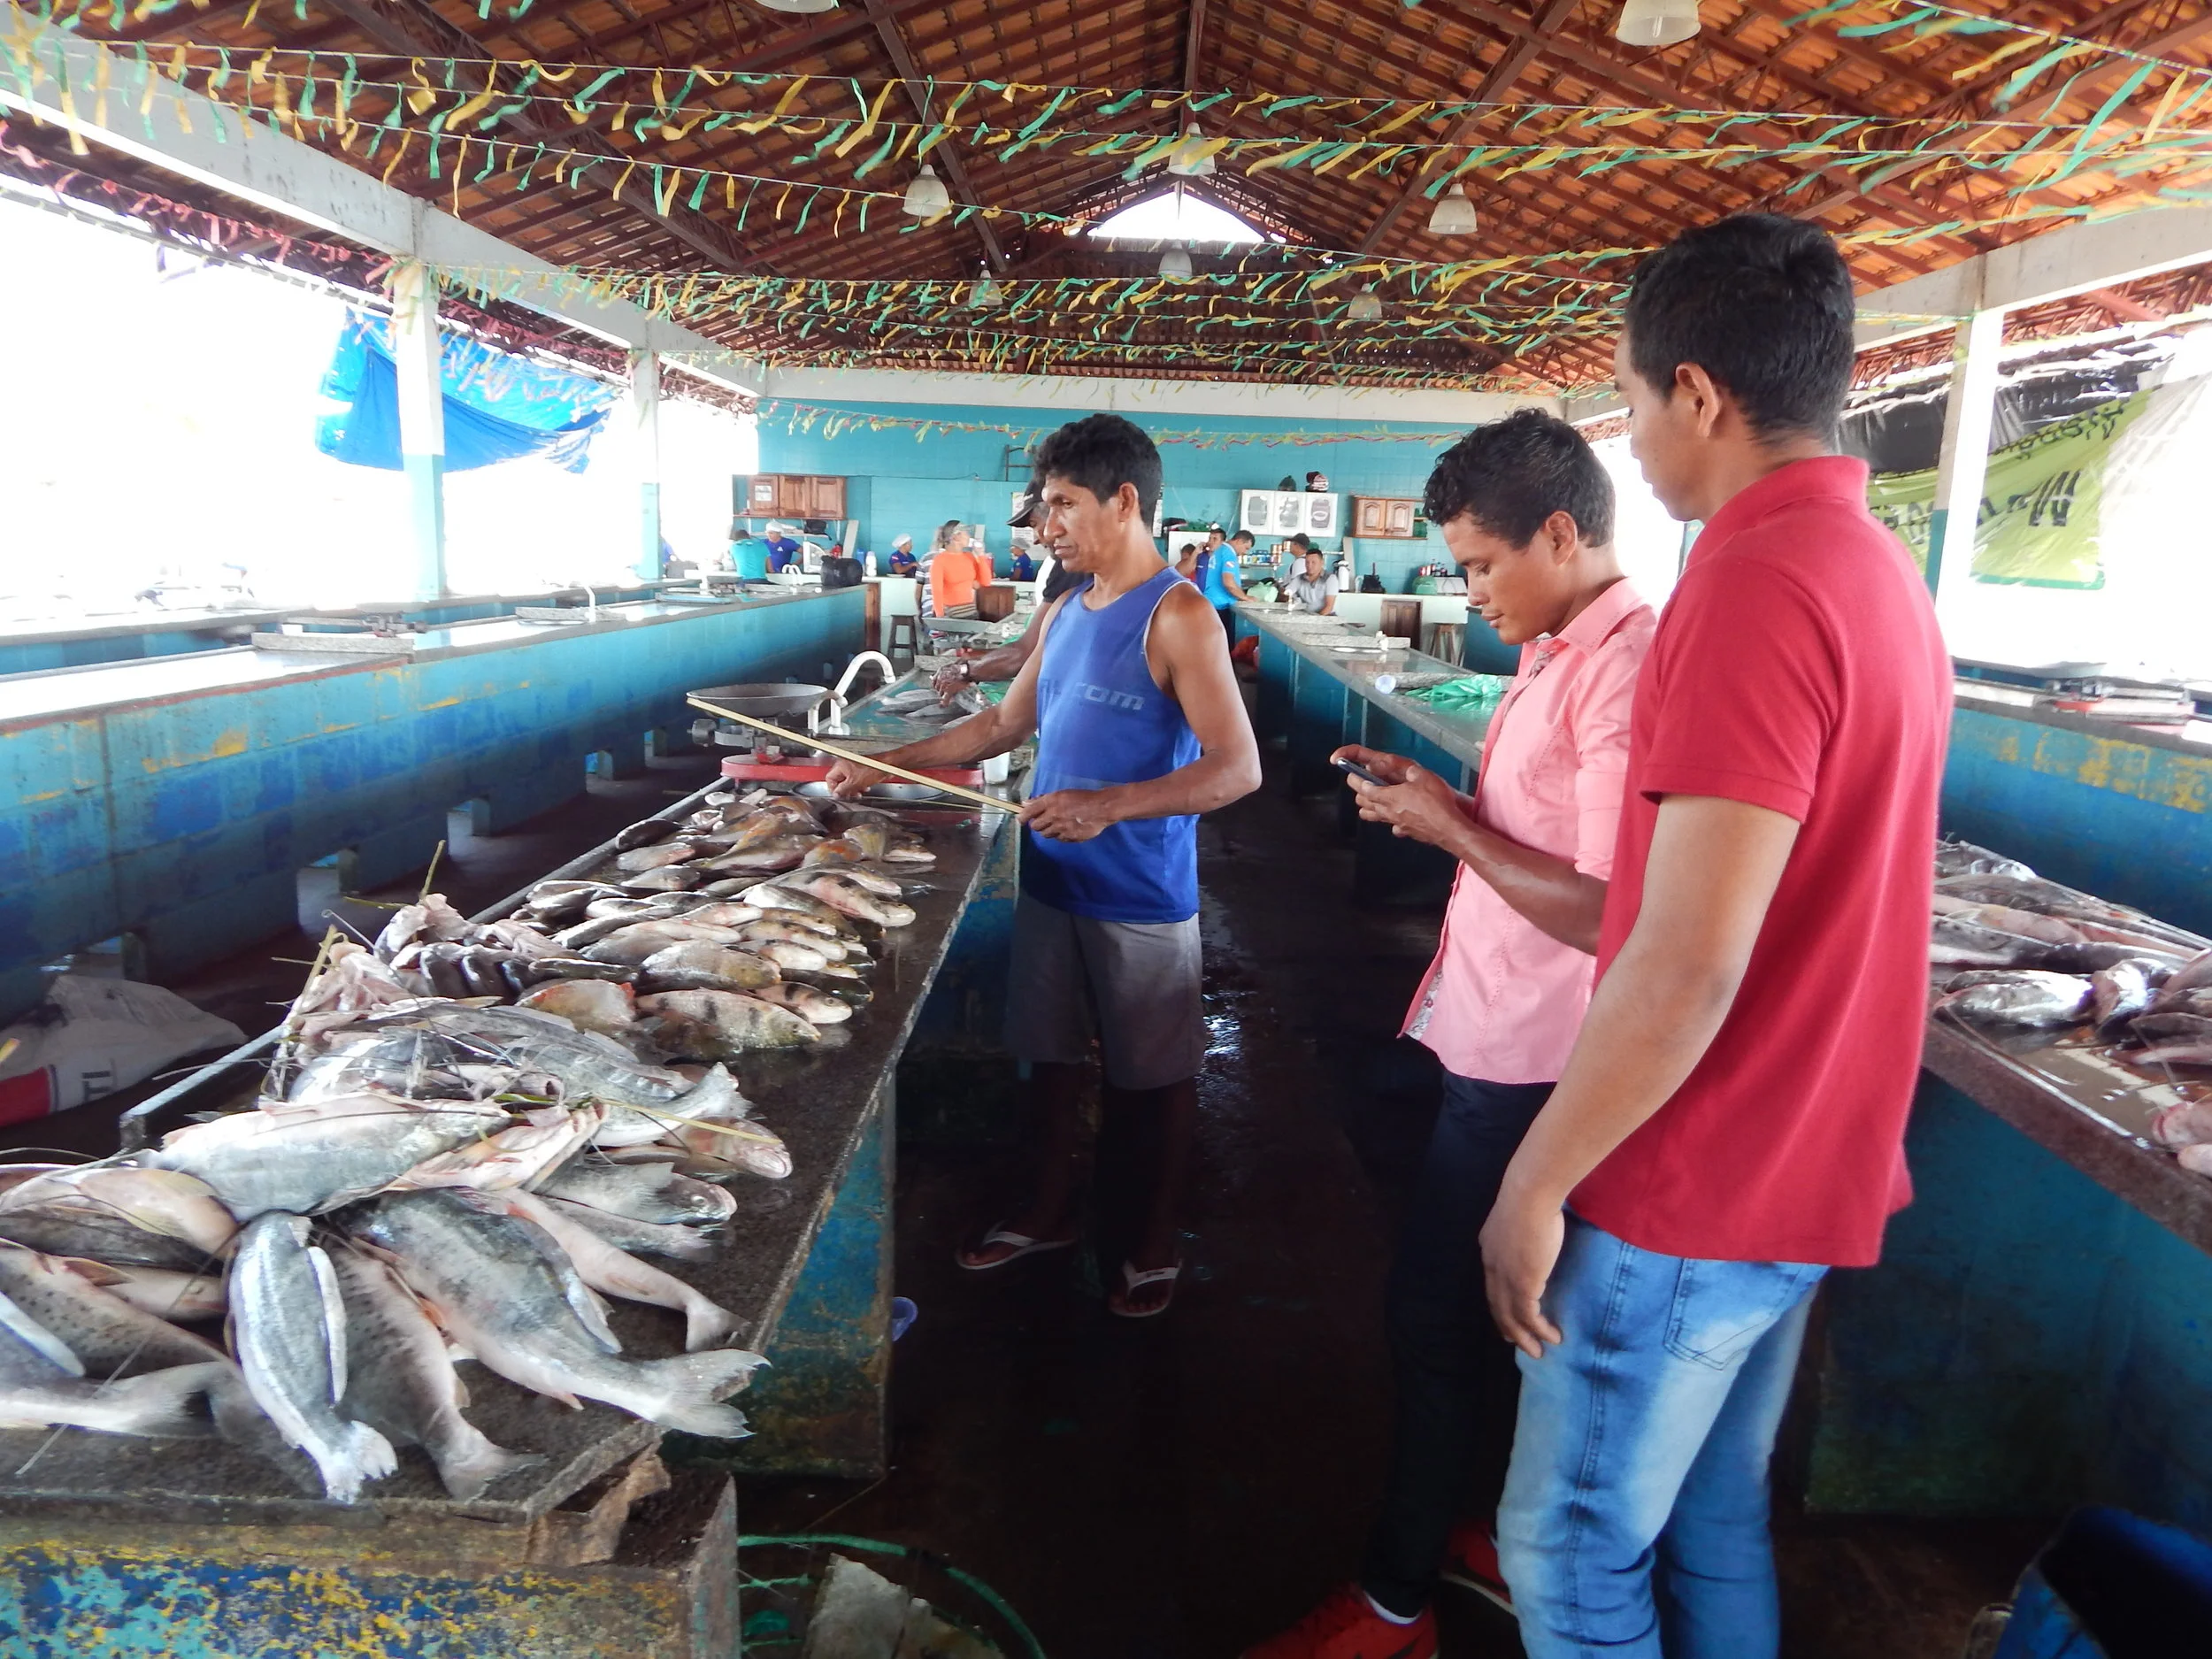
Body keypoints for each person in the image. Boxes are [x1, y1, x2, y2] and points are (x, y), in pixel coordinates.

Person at [1473, 215, 1949, 1659]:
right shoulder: (1878, 573)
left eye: (1624, 403)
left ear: (1697, 394)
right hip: (1808, 1170)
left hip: (1694, 1179)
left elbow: (1686, 961)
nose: (1633, 441)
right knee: (1710, 1519)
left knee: (1565, 1555)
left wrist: (1535, 1180)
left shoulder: (1750, 586)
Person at [1247, 412, 1655, 1658]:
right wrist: (1445, 802)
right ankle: (1484, 1521)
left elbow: (1610, 909)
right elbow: (1540, 832)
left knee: (1435, 1314)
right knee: (1479, 1313)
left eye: (1482, 565)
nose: (1470, 593)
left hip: (1540, 1061)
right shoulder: (1556, 643)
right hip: (1489, 1032)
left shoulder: (1626, 666)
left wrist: (1454, 834)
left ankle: (1394, 1599)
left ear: (1563, 531)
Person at [826, 414, 1261, 1317]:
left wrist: (1106, 805)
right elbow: (997, 727)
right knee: (1050, 1062)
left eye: (1064, 505)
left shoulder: (1179, 615)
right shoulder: (1065, 609)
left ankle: (1148, 1240)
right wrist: (884, 763)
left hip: (1139, 890)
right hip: (1054, 883)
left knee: (1153, 1076)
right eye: (1044, 505)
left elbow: (1236, 769)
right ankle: (1049, 1213)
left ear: (1125, 500)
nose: (1045, 526)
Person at [929, 521, 992, 618]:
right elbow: (937, 592)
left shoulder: (969, 557)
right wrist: (940, 619)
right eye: (966, 533)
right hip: (950, 612)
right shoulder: (940, 560)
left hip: (969, 610)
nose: (968, 536)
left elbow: (985, 582)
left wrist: (981, 555)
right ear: (956, 537)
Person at [1190, 525, 1248, 632]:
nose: (1210, 542)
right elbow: (1229, 583)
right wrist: (1246, 598)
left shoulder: (1220, 554)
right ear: (1239, 541)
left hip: (1214, 604)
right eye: (1210, 538)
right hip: (1212, 604)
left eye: (1214, 539)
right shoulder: (1208, 556)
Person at [1282, 539, 1340, 615]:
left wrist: (1315, 620)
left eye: (1313, 562)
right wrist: (1288, 598)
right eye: (1307, 562)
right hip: (1307, 615)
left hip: (1326, 617)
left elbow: (1329, 607)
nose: (1309, 566)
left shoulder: (1330, 579)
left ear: (1322, 562)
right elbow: (1287, 593)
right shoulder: (1300, 578)